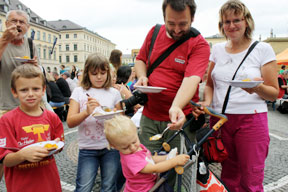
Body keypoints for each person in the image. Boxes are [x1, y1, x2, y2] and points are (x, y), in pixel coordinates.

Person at [193, 1, 279, 191]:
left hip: (251, 118)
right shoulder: (216, 50)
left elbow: (273, 93)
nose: (231, 26)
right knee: (228, 175)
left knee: (251, 177)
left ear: (246, 21)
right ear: (221, 25)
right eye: (226, 21)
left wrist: (256, 88)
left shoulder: (262, 49)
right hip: (221, 120)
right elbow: (209, 84)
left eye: (236, 20)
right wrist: (206, 103)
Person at [134, 0, 210, 155]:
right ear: (164, 18)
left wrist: (176, 107)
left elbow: (191, 79)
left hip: (180, 119)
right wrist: (142, 76)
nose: (176, 30)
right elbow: (140, 59)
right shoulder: (154, 33)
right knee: (147, 167)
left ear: (192, 18)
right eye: (171, 23)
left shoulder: (199, 44)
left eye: (182, 24)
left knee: (178, 170)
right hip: (149, 116)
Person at [0, 64, 64, 192]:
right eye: (24, 90)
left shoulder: (52, 118)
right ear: (14, 92)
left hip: (49, 184)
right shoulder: (7, 120)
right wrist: (22, 155)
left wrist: (56, 147)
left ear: (43, 90)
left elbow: (58, 143)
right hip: (22, 186)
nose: (30, 94)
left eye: (35, 89)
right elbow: (5, 160)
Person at [66, 53, 123, 192]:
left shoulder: (114, 93)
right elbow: (70, 122)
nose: (99, 77)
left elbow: (122, 120)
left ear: (108, 73)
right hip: (87, 149)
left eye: (103, 73)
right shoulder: (79, 92)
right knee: (83, 188)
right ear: (87, 74)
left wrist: (115, 115)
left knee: (109, 187)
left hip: (111, 147)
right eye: (94, 73)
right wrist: (86, 112)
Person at [0, 10, 40, 181]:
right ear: (5, 23)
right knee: (2, 158)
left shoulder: (31, 44)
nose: (17, 25)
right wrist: (4, 39)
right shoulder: (2, 41)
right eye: (13, 21)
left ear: (27, 27)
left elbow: (38, 77)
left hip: (27, 108)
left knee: (28, 153)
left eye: (22, 22)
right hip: (3, 106)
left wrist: (36, 67)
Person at [104, 115, 190, 192]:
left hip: (150, 185)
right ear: (114, 146)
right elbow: (154, 168)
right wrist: (175, 161)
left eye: (134, 142)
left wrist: (167, 157)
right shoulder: (131, 159)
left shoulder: (138, 147)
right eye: (125, 147)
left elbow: (149, 158)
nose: (132, 148)